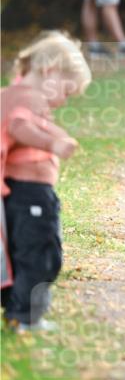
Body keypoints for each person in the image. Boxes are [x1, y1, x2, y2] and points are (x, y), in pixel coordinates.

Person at [1, 32, 90, 331]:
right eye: (67, 90)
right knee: (41, 253)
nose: (65, 101)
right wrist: (53, 145)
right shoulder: (29, 98)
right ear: (50, 70)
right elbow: (19, 125)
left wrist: (53, 133)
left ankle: (18, 310)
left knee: (18, 252)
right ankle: (25, 317)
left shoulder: (10, 94)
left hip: (16, 195)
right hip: (31, 196)